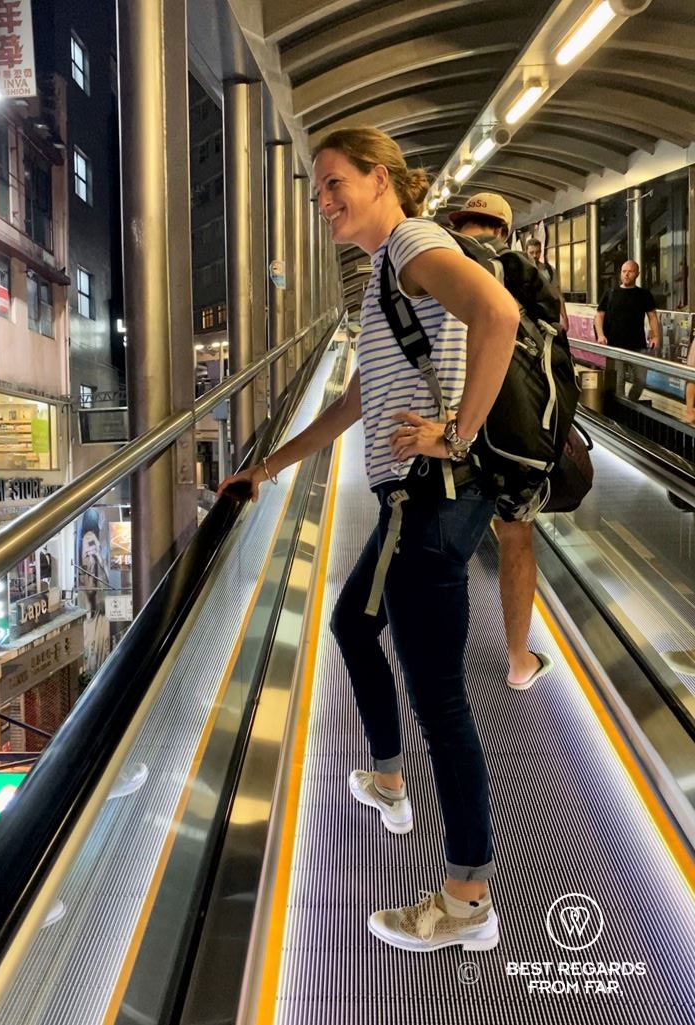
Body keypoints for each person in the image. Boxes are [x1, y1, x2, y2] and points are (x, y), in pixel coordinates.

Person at [218, 127, 519, 953]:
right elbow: (357, 399)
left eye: (333, 184)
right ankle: (388, 776)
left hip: (427, 505)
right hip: (408, 506)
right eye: (317, 192)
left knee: (442, 703)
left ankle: (468, 899)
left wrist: (455, 432)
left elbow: (499, 312)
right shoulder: (387, 267)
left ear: (380, 178)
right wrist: (269, 467)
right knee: (355, 622)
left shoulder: (416, 242)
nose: (323, 202)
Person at [448, 195, 554, 690]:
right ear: (506, 232)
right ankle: (518, 662)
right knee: (515, 538)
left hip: (451, 432)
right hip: (513, 438)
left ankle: (440, 666)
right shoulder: (527, 274)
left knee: (445, 544)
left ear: (460, 225)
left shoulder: (444, 263)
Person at [595, 261, 660, 401]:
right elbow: (599, 316)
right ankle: (620, 414)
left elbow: (652, 316)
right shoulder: (611, 293)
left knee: (641, 380)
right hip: (614, 345)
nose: (626, 274)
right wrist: (600, 335)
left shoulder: (644, 294)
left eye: (630, 271)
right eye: (624, 271)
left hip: (637, 344)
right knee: (618, 382)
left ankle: (630, 403)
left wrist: (655, 336)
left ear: (637, 274)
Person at [78, 508, 110, 674]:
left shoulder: (104, 621)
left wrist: (100, 559)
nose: (90, 563)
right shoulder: (78, 623)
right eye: (86, 554)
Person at [525, 237, 569, 331]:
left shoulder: (549, 270)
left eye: (537, 252)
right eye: (531, 252)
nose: (535, 255)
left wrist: (564, 318)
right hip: (528, 318)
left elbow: (558, 296)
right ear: (526, 252)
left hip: (547, 316)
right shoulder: (521, 271)